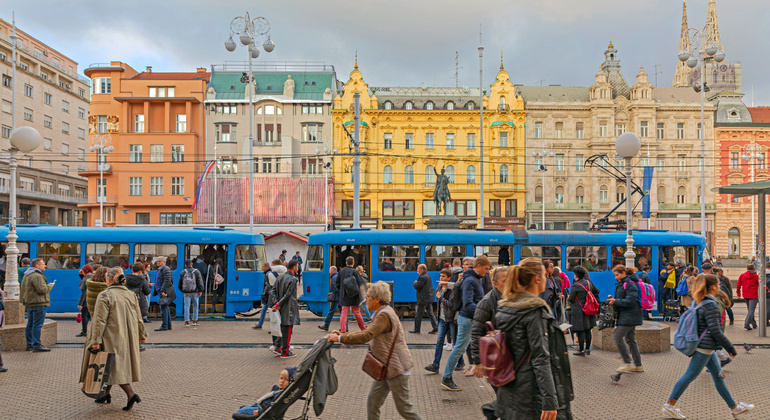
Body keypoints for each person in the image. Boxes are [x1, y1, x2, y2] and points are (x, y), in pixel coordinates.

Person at [662, 274, 754, 419]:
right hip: (703, 348)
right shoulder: (710, 304)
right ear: (713, 287)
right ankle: (669, 405)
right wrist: (730, 348)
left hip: (706, 347)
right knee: (690, 375)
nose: (719, 287)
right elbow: (716, 330)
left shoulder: (699, 301)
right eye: (718, 284)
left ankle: (734, 408)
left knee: (719, 377)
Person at [327, 281, 422, 420]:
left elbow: (366, 335)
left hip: (396, 368)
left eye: (368, 297)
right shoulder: (382, 312)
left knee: (405, 409)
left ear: (377, 299)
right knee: (373, 402)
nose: (365, 300)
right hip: (386, 366)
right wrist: (342, 335)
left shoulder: (384, 315)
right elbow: (368, 333)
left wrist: (340, 338)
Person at [494, 257, 573, 419]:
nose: (546, 279)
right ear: (537, 279)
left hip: (510, 389)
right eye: (544, 275)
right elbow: (541, 358)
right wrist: (550, 400)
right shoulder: (534, 311)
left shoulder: (506, 307)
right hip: (531, 393)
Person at [80, 267, 148, 411]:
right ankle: (105, 394)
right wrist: (142, 335)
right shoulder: (130, 294)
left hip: (110, 336)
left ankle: (131, 394)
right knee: (110, 365)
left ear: (109, 279)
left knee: (112, 367)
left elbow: (99, 321)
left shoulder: (105, 295)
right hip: (127, 336)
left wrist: (96, 341)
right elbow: (139, 318)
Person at [440, 255, 489, 391]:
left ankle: (448, 376)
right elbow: (468, 303)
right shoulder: (471, 280)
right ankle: (447, 377)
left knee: (461, 348)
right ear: (478, 266)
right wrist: (481, 312)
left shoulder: (475, 279)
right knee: (459, 349)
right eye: (486, 268)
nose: (487, 271)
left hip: (469, 318)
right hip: (467, 318)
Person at [470, 266, 509, 415]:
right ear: (495, 283)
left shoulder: (514, 299)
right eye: (505, 281)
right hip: (496, 360)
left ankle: (493, 411)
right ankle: (492, 411)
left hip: (510, 358)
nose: (509, 284)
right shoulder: (486, 302)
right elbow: (476, 332)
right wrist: (478, 362)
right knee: (505, 397)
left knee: (509, 398)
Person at [425, 268, 465, 374]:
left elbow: (451, 305)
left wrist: (441, 297)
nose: (441, 278)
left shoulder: (452, 289)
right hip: (442, 319)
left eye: (443, 276)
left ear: (449, 278)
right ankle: (436, 365)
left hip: (451, 319)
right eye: (440, 276)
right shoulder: (439, 287)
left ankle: (461, 361)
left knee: (456, 342)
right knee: (439, 341)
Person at [607, 265, 644, 373]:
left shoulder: (630, 284)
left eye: (617, 275)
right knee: (631, 340)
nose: (616, 277)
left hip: (629, 316)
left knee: (617, 337)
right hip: (628, 315)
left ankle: (627, 362)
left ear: (624, 273)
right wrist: (614, 299)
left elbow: (630, 301)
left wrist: (616, 301)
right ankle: (638, 365)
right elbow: (625, 298)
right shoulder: (623, 283)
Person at [19, 258, 54, 352]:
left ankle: (29, 344)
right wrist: (50, 286)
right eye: (43, 264)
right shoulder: (37, 276)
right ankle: (37, 345)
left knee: (30, 324)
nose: (45, 265)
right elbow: (42, 290)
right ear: (37, 266)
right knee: (37, 325)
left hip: (30, 303)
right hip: (38, 303)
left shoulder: (27, 274)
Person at [568, 266, 599, 356]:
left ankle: (581, 350)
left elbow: (571, 299)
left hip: (579, 311)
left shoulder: (576, 285)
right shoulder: (588, 283)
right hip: (589, 309)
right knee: (588, 330)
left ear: (576, 275)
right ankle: (588, 349)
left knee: (580, 331)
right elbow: (597, 291)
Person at [273, 259, 300, 358]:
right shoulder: (293, 279)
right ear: (294, 267)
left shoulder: (280, 277)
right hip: (289, 307)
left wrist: (277, 302)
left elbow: (273, 291)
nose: (297, 269)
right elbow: (288, 294)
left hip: (281, 307)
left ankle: (280, 347)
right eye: (297, 267)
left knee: (284, 328)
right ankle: (285, 351)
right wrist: (278, 304)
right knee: (288, 328)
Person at [337, 256, 366, 333]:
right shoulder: (355, 272)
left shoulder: (341, 271)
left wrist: (342, 290)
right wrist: (363, 295)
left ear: (346, 263)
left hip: (344, 295)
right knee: (357, 313)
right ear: (353, 263)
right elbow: (360, 284)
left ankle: (343, 330)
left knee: (344, 313)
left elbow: (337, 284)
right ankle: (363, 329)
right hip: (354, 295)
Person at [411, 264, 438, 334]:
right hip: (428, 297)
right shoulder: (427, 275)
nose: (417, 270)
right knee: (430, 313)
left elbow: (417, 286)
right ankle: (435, 328)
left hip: (423, 299)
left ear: (422, 270)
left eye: (418, 268)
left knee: (418, 314)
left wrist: (415, 282)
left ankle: (417, 330)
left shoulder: (422, 277)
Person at [179, 259, 204, 327]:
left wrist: (183, 290)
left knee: (186, 306)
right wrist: (200, 290)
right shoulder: (196, 272)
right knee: (195, 306)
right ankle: (195, 321)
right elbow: (199, 282)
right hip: (195, 291)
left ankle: (187, 321)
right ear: (192, 264)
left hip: (186, 292)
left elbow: (180, 283)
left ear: (185, 265)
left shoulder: (183, 272)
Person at [154, 256, 175, 332]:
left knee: (163, 309)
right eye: (157, 261)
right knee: (166, 308)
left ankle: (164, 326)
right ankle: (168, 325)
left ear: (164, 262)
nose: (158, 263)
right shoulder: (161, 269)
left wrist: (163, 290)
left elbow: (167, 280)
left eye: (159, 261)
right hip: (161, 290)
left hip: (163, 291)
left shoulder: (165, 269)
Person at [253, 262, 276, 330]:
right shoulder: (269, 273)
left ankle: (272, 327)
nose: (261, 268)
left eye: (262, 266)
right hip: (270, 295)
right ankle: (260, 324)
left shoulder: (268, 274)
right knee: (265, 310)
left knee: (269, 310)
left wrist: (264, 293)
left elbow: (267, 286)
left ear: (266, 267)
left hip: (269, 296)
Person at [736, 264, 758, 331]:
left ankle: (754, 324)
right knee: (751, 311)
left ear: (747, 268)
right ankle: (746, 324)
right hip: (753, 295)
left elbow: (738, 285)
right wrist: (767, 288)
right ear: (754, 269)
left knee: (750, 310)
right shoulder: (756, 276)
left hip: (745, 295)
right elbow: (761, 283)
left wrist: (738, 293)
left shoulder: (742, 275)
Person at [76, 265, 95, 338]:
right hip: (92, 300)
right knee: (91, 316)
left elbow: (83, 292)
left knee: (84, 316)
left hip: (86, 301)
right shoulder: (94, 277)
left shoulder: (85, 279)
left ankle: (84, 332)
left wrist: (80, 304)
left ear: (85, 271)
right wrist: (81, 275)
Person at [319, 266, 339, 331]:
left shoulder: (334, 277)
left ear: (332, 270)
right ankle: (345, 327)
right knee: (343, 312)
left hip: (336, 297)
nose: (329, 272)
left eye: (329, 270)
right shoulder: (337, 276)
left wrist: (333, 293)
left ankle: (326, 325)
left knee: (331, 311)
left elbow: (335, 287)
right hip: (338, 297)